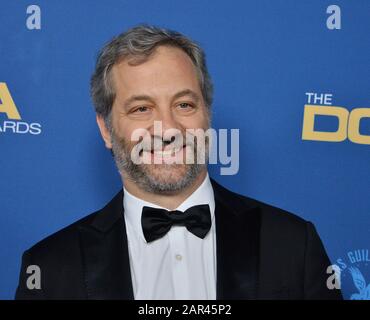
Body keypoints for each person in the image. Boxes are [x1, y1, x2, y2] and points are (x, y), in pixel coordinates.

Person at [15, 25, 342, 300]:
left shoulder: (293, 245)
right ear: (106, 129)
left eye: (184, 104)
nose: (168, 129)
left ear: (207, 114)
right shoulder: (50, 268)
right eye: (141, 109)